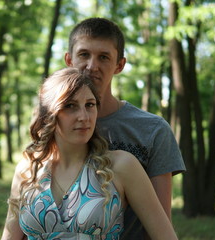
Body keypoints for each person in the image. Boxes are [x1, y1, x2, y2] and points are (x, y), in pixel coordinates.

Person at [1, 67, 178, 239]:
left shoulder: (121, 166)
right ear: (48, 114)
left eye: (90, 105)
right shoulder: (28, 169)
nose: (84, 116)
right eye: (70, 106)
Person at [63, 17, 186, 239]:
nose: (92, 66)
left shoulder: (153, 130)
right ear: (69, 59)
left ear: (119, 65)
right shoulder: (55, 125)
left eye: (104, 57)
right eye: (84, 55)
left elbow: (162, 225)